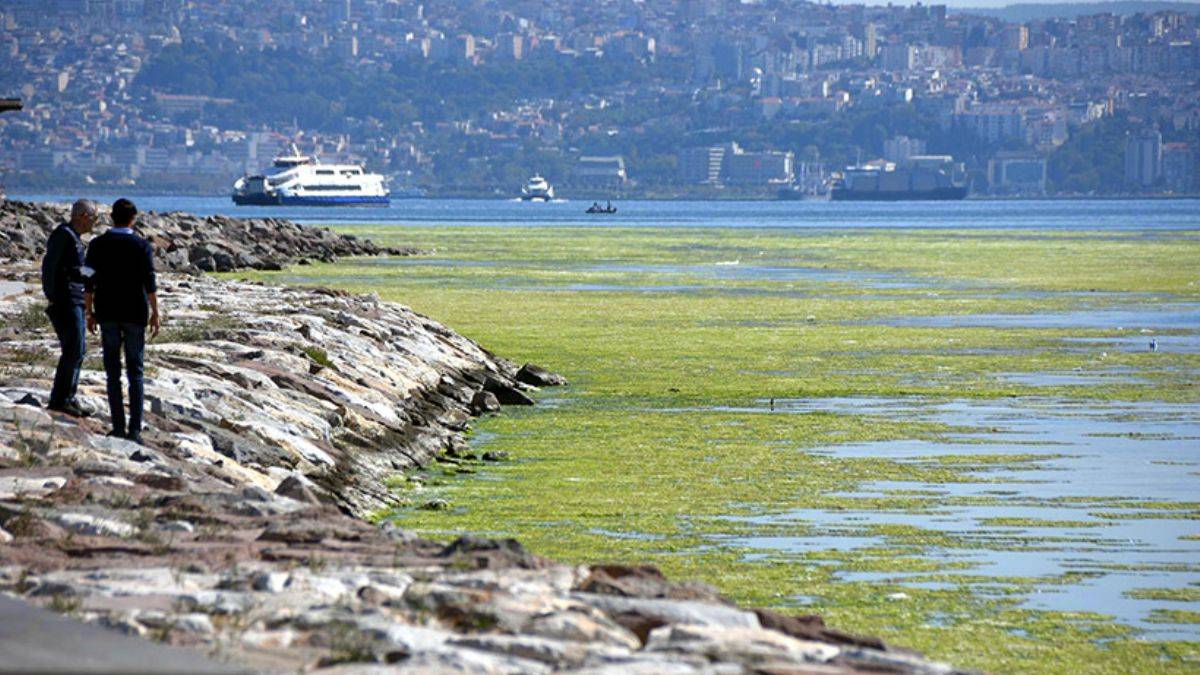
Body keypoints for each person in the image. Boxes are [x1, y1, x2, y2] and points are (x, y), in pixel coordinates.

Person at [84, 198, 161, 443]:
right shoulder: (141, 245)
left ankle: (118, 426)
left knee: (112, 372)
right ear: (133, 218)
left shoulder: (97, 245)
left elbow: (88, 280)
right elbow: (149, 282)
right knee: (135, 372)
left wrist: (89, 311)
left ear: (111, 217)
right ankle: (135, 429)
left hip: (106, 311)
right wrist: (155, 312)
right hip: (135, 313)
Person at [40, 199, 97, 417]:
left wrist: (95, 274)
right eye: (94, 218)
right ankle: (60, 398)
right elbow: (50, 266)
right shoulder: (63, 235)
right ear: (84, 216)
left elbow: (75, 269)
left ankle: (69, 397)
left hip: (76, 299)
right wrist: (52, 296)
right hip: (66, 300)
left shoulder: (74, 238)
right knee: (73, 349)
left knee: (78, 350)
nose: (95, 223)